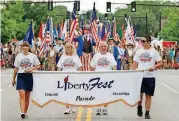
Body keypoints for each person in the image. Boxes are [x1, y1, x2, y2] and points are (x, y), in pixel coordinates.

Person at [131, 36, 163, 119]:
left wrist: (154, 67)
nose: (142, 42)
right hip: (140, 76)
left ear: (149, 42)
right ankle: (139, 106)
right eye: (141, 41)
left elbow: (160, 62)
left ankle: (147, 113)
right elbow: (134, 64)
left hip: (150, 77)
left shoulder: (154, 52)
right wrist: (132, 74)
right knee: (140, 95)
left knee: (148, 95)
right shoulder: (138, 52)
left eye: (143, 41)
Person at [12, 41, 40, 119]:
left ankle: (25, 112)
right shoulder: (18, 56)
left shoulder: (33, 56)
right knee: (22, 95)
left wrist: (32, 68)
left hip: (29, 76)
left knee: (27, 96)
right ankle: (22, 112)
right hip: (21, 76)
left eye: (26, 46)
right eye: (23, 46)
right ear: (21, 48)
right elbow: (16, 69)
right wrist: (13, 79)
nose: (25, 48)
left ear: (28, 47)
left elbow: (38, 65)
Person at [90, 41, 117, 115]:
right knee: (98, 93)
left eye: (105, 46)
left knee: (106, 93)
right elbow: (92, 67)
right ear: (99, 48)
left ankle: (105, 107)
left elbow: (114, 66)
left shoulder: (110, 55)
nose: (103, 47)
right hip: (98, 78)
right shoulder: (96, 56)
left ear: (107, 47)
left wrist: (114, 74)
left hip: (107, 78)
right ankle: (98, 108)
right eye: (101, 46)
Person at [57, 42, 82, 114]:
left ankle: (73, 105)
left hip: (74, 75)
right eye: (66, 47)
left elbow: (80, 67)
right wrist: (57, 76)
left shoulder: (76, 56)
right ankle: (67, 107)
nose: (68, 49)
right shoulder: (63, 57)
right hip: (65, 76)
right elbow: (59, 67)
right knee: (66, 92)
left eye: (69, 47)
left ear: (72, 48)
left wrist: (80, 76)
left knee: (73, 91)